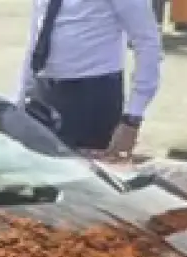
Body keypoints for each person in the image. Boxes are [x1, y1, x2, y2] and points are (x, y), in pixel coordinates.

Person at [16, 0, 163, 158]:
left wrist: (132, 118)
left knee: (83, 170)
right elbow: (36, 36)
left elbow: (147, 41)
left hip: (91, 97)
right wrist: (19, 102)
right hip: (43, 93)